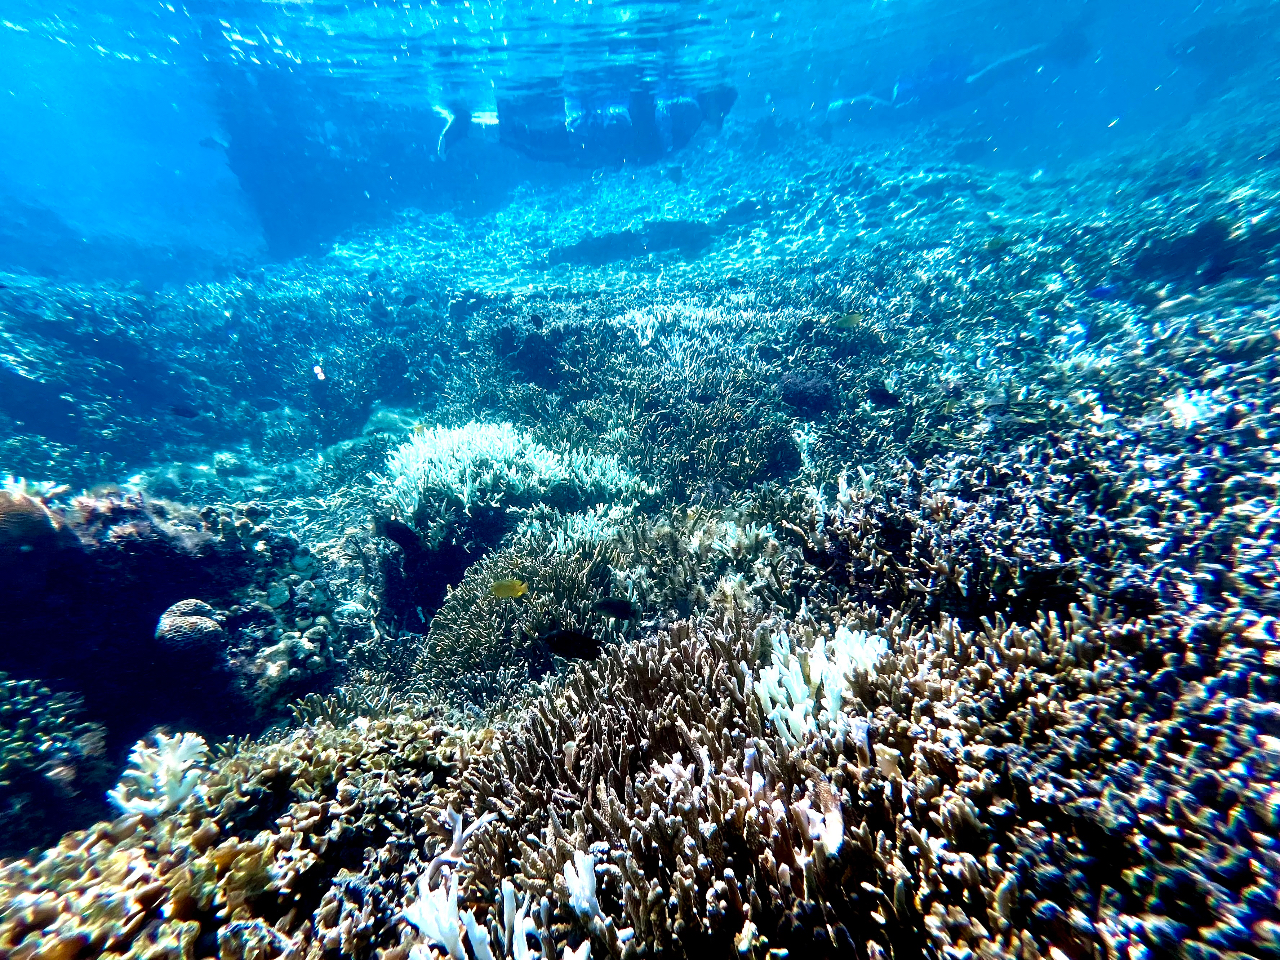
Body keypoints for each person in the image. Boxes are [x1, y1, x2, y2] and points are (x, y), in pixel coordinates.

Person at [437, 85, 736, 167]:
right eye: (721, 109)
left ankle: (469, 126)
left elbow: (653, 132)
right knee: (540, 145)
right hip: (605, 137)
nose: (720, 116)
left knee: (539, 147)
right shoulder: (692, 110)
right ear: (712, 99)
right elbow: (651, 129)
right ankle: (468, 125)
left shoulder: (690, 110)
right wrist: (632, 152)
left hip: (607, 139)